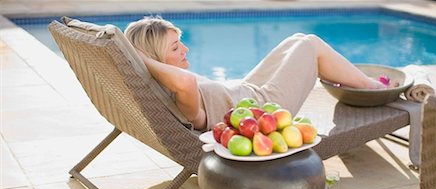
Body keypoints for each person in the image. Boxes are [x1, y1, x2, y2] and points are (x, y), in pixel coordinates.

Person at [125, 16, 386, 131]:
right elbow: (186, 82)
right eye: (175, 47)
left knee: (297, 39)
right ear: (154, 57)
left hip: (249, 91)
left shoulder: (163, 81)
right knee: (311, 44)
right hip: (265, 108)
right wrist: (143, 59)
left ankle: (357, 83)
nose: (185, 49)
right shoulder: (180, 92)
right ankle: (372, 87)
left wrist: (145, 59)